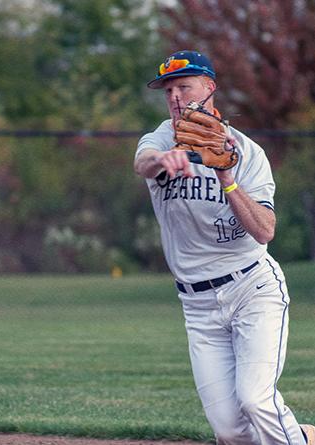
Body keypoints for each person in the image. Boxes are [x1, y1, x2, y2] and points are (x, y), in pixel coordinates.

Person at [133, 49, 315, 445]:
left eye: (185, 86)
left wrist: (227, 176)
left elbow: (265, 231)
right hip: (197, 305)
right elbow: (143, 163)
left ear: (209, 87)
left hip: (252, 289)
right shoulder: (163, 137)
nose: (175, 97)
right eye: (168, 90)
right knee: (231, 432)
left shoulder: (247, 153)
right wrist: (164, 158)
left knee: (256, 401)